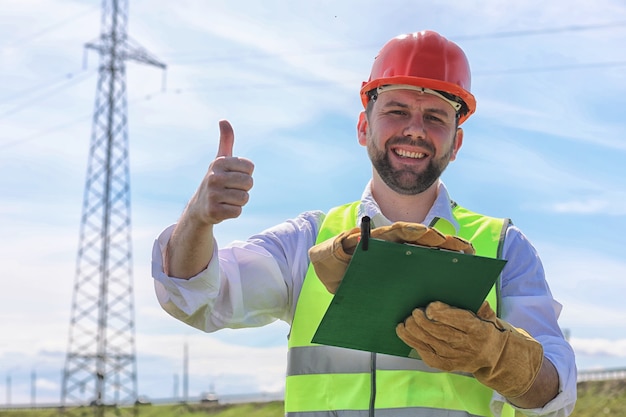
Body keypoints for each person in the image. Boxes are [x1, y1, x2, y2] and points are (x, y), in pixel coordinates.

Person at [152, 30, 577, 417]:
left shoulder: (503, 247)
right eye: (396, 110)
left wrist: (499, 355)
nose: (414, 130)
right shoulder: (307, 242)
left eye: (435, 116)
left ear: (456, 141)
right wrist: (197, 220)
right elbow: (197, 298)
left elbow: (557, 395)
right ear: (363, 126)